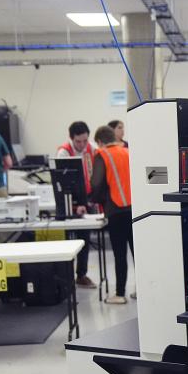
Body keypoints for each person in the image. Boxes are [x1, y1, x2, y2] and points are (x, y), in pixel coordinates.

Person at [91, 125, 134, 304]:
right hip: (135, 209)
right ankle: (144, 290)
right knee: (137, 253)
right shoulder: (127, 151)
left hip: (116, 210)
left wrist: (95, 200)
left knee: (119, 254)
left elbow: (96, 184)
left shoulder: (102, 155)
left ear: (100, 142)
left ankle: (120, 294)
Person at [55, 121, 96, 289]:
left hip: (86, 197)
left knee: (84, 239)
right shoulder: (64, 152)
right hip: (67, 199)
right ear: (71, 138)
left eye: (85, 140)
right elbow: (60, 183)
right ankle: (65, 277)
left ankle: (81, 275)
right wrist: (72, 206)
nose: (82, 145)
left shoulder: (91, 149)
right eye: (78, 141)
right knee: (67, 242)